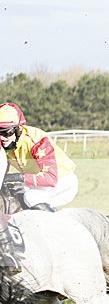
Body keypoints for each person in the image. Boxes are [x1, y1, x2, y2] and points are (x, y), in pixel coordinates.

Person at [0, 102, 78, 272]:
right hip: (37, 181)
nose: (2, 138)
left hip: (62, 181)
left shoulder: (37, 140)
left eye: (6, 132)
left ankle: (61, 242)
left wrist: (20, 177)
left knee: (31, 197)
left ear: (18, 129)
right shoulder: (5, 143)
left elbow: (50, 178)